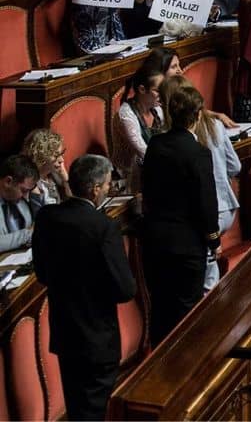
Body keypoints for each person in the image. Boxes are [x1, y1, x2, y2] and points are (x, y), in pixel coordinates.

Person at [32, 154, 136, 420]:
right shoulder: (103, 227)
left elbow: (42, 273)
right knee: (95, 408)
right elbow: (125, 289)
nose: (107, 189)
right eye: (106, 185)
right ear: (94, 188)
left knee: (76, 406)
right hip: (97, 336)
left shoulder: (47, 217)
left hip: (66, 332)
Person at [141, 86, 219, 345]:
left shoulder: (155, 144)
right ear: (197, 115)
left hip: (154, 241)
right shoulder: (198, 153)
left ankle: (159, 369)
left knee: (161, 308)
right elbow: (206, 201)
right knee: (186, 312)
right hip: (186, 245)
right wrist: (213, 238)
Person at [159, 75, 240, 293]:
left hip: (205, 217)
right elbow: (236, 167)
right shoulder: (215, 124)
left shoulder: (169, 140)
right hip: (226, 207)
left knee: (205, 279)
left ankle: (208, 321)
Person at [113, 64, 165, 195]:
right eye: (158, 91)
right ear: (142, 89)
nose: (162, 94)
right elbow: (143, 152)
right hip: (129, 177)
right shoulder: (126, 114)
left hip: (154, 168)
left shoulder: (157, 109)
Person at [20, 128, 70, 206]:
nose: (61, 160)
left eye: (61, 153)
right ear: (40, 156)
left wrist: (65, 178)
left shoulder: (55, 176)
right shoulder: (28, 182)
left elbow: (75, 203)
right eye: (56, 155)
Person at [0, 154, 39, 253]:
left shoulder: (20, 202)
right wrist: (28, 234)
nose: (26, 196)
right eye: (23, 190)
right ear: (8, 181)